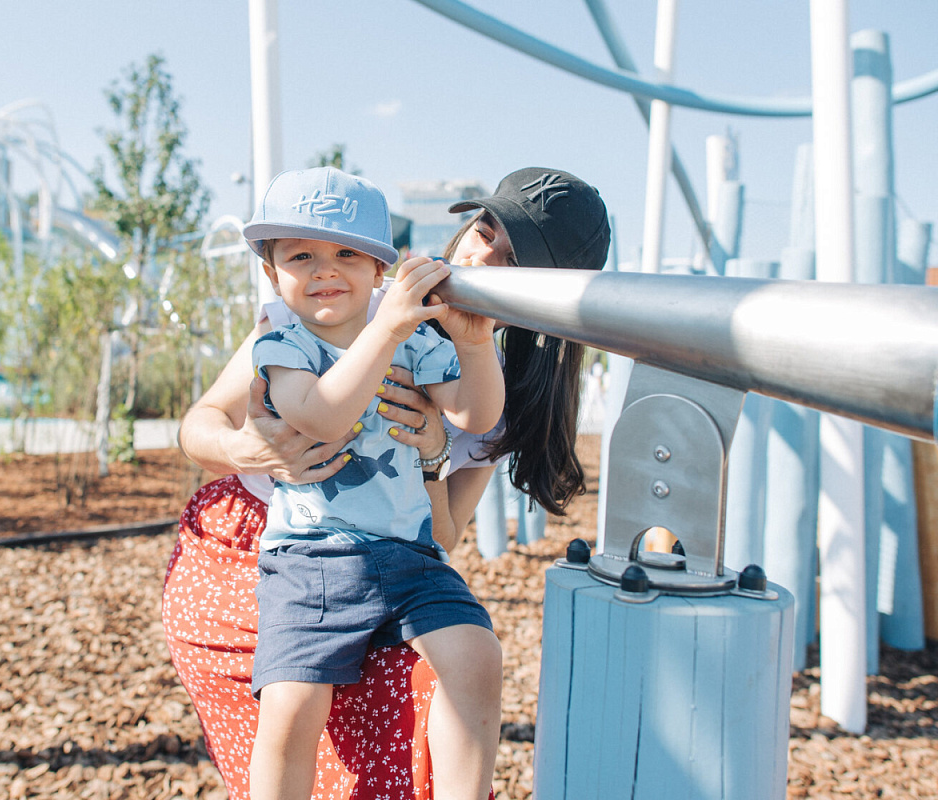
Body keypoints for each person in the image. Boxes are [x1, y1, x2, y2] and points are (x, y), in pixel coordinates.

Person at [163, 166, 611, 800]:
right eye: (486, 230)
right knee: (299, 708)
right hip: (270, 542)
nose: (485, 258)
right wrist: (247, 448)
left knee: (454, 678)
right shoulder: (333, 304)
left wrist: (433, 455)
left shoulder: (473, 372)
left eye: (520, 260)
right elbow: (199, 426)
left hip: (396, 553)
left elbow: (447, 530)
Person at [242, 166, 505, 800]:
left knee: (477, 657)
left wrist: (473, 348)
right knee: (291, 705)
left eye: (346, 254)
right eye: (300, 255)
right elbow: (323, 414)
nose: (324, 269)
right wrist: (388, 329)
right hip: (313, 559)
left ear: (378, 272)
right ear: (274, 273)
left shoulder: (414, 342)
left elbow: (475, 415)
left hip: (410, 557)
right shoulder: (283, 343)